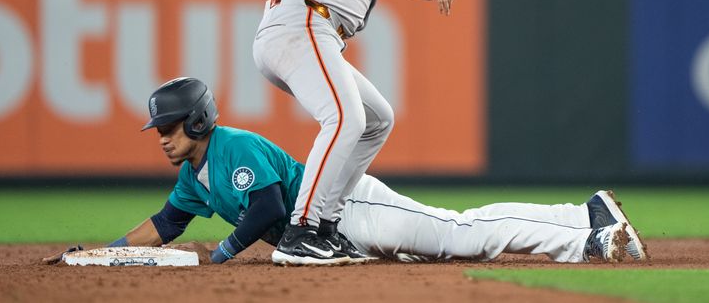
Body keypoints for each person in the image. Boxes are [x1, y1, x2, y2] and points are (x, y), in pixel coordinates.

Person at [45, 77, 648, 267]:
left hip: (349, 207)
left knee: (463, 234)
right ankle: (585, 225)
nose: (163, 141)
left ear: (198, 123)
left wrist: (225, 251)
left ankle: (586, 224)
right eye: (160, 133)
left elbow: (271, 209)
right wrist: (105, 253)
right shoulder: (193, 175)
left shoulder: (233, 148)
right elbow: (167, 224)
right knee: (454, 247)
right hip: (336, 233)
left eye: (170, 129)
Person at [252, 0, 487, 265]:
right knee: (345, 117)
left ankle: (326, 226)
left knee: (377, 118)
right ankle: (301, 230)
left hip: (309, 30)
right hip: (302, 22)